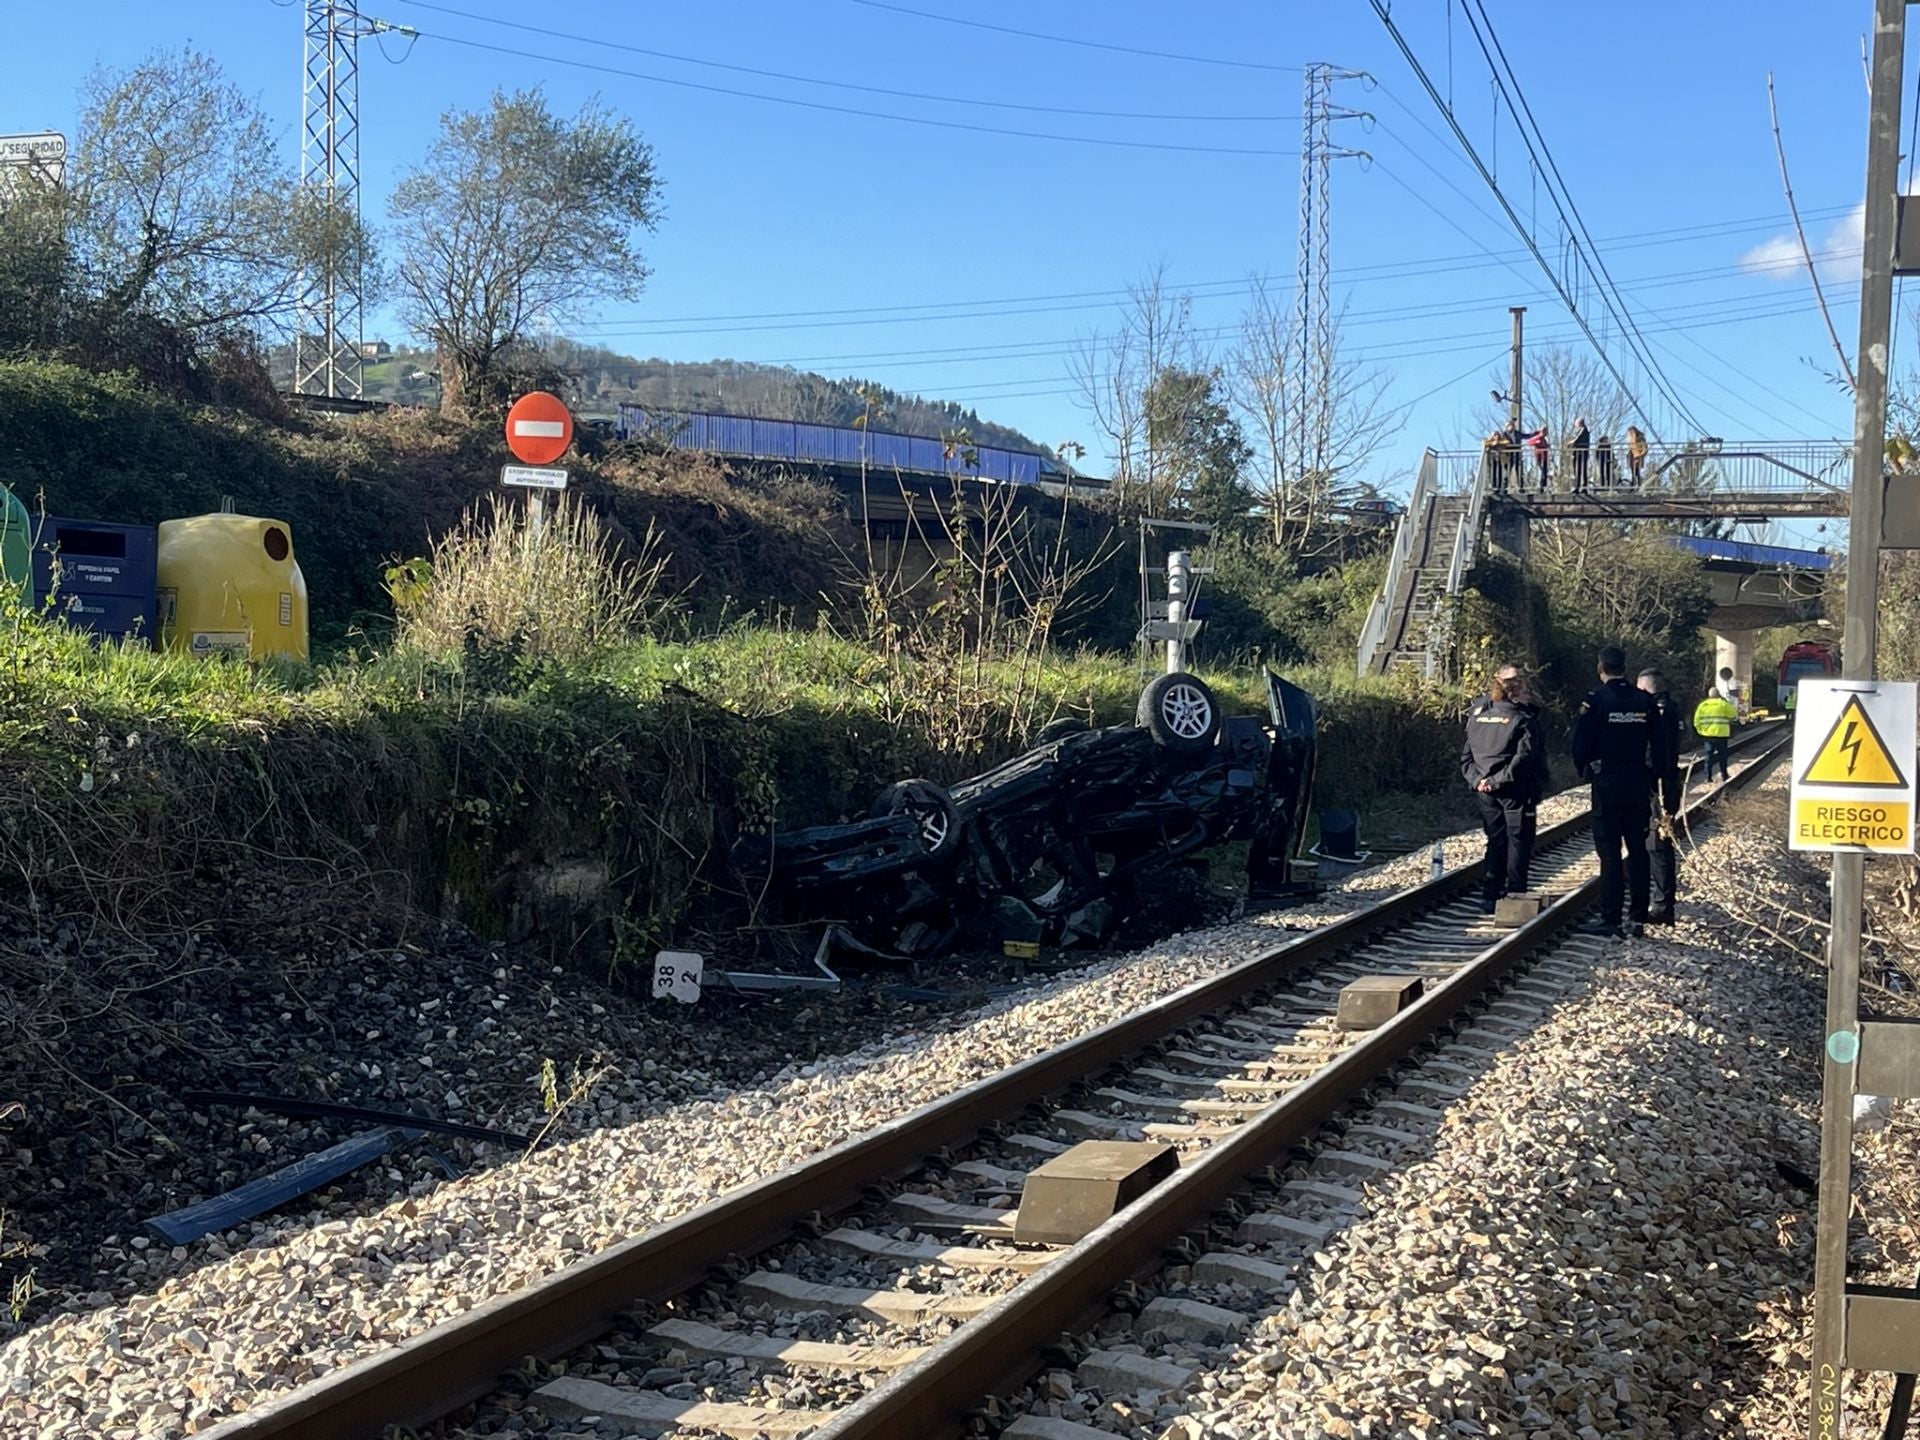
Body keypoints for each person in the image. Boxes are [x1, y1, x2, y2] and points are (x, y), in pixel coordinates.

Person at [1571, 645, 1668, 937]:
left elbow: (1580, 743)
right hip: (1637, 783)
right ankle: (1637, 917)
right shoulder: (1644, 701)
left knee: (1610, 853)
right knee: (1638, 850)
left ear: (1601, 668)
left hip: (1607, 784)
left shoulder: (1596, 700)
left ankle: (1610, 918)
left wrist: (1585, 771)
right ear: (1625, 668)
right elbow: (1660, 746)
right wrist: (1655, 778)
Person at [1462, 672, 1538, 914]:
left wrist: (1479, 781)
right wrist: (1498, 780)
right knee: (1518, 840)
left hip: (1485, 790)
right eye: (1524, 691)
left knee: (1495, 840)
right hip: (1514, 790)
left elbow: (1467, 757)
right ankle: (1515, 893)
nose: (1528, 696)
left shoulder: (1477, 718)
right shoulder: (1521, 720)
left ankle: (1490, 894)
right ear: (1514, 695)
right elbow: (1524, 758)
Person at [1637, 667, 1683, 924]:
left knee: (1657, 844)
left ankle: (1663, 906)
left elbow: (1654, 753)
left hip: (1659, 786)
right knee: (1656, 843)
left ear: (1645, 688)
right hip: (1667, 782)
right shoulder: (1672, 707)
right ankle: (1660, 901)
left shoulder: (1660, 712)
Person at [1693, 686, 1737, 782]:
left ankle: (1708, 777)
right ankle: (1724, 775)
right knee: (1722, 756)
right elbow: (1734, 714)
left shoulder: (1702, 706)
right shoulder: (1723, 704)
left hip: (1708, 736)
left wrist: (1701, 732)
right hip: (1721, 735)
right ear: (1718, 695)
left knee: (1708, 757)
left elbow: (1696, 722)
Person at [1570, 417, 1592, 493]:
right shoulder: (1581, 430)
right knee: (1578, 470)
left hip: (1581, 452)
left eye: (1576, 423)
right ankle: (1579, 486)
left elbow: (1577, 438)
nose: (1575, 425)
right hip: (1578, 452)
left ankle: (1582, 487)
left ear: (1579, 423)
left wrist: (1571, 443)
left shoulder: (1583, 429)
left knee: (1581, 470)